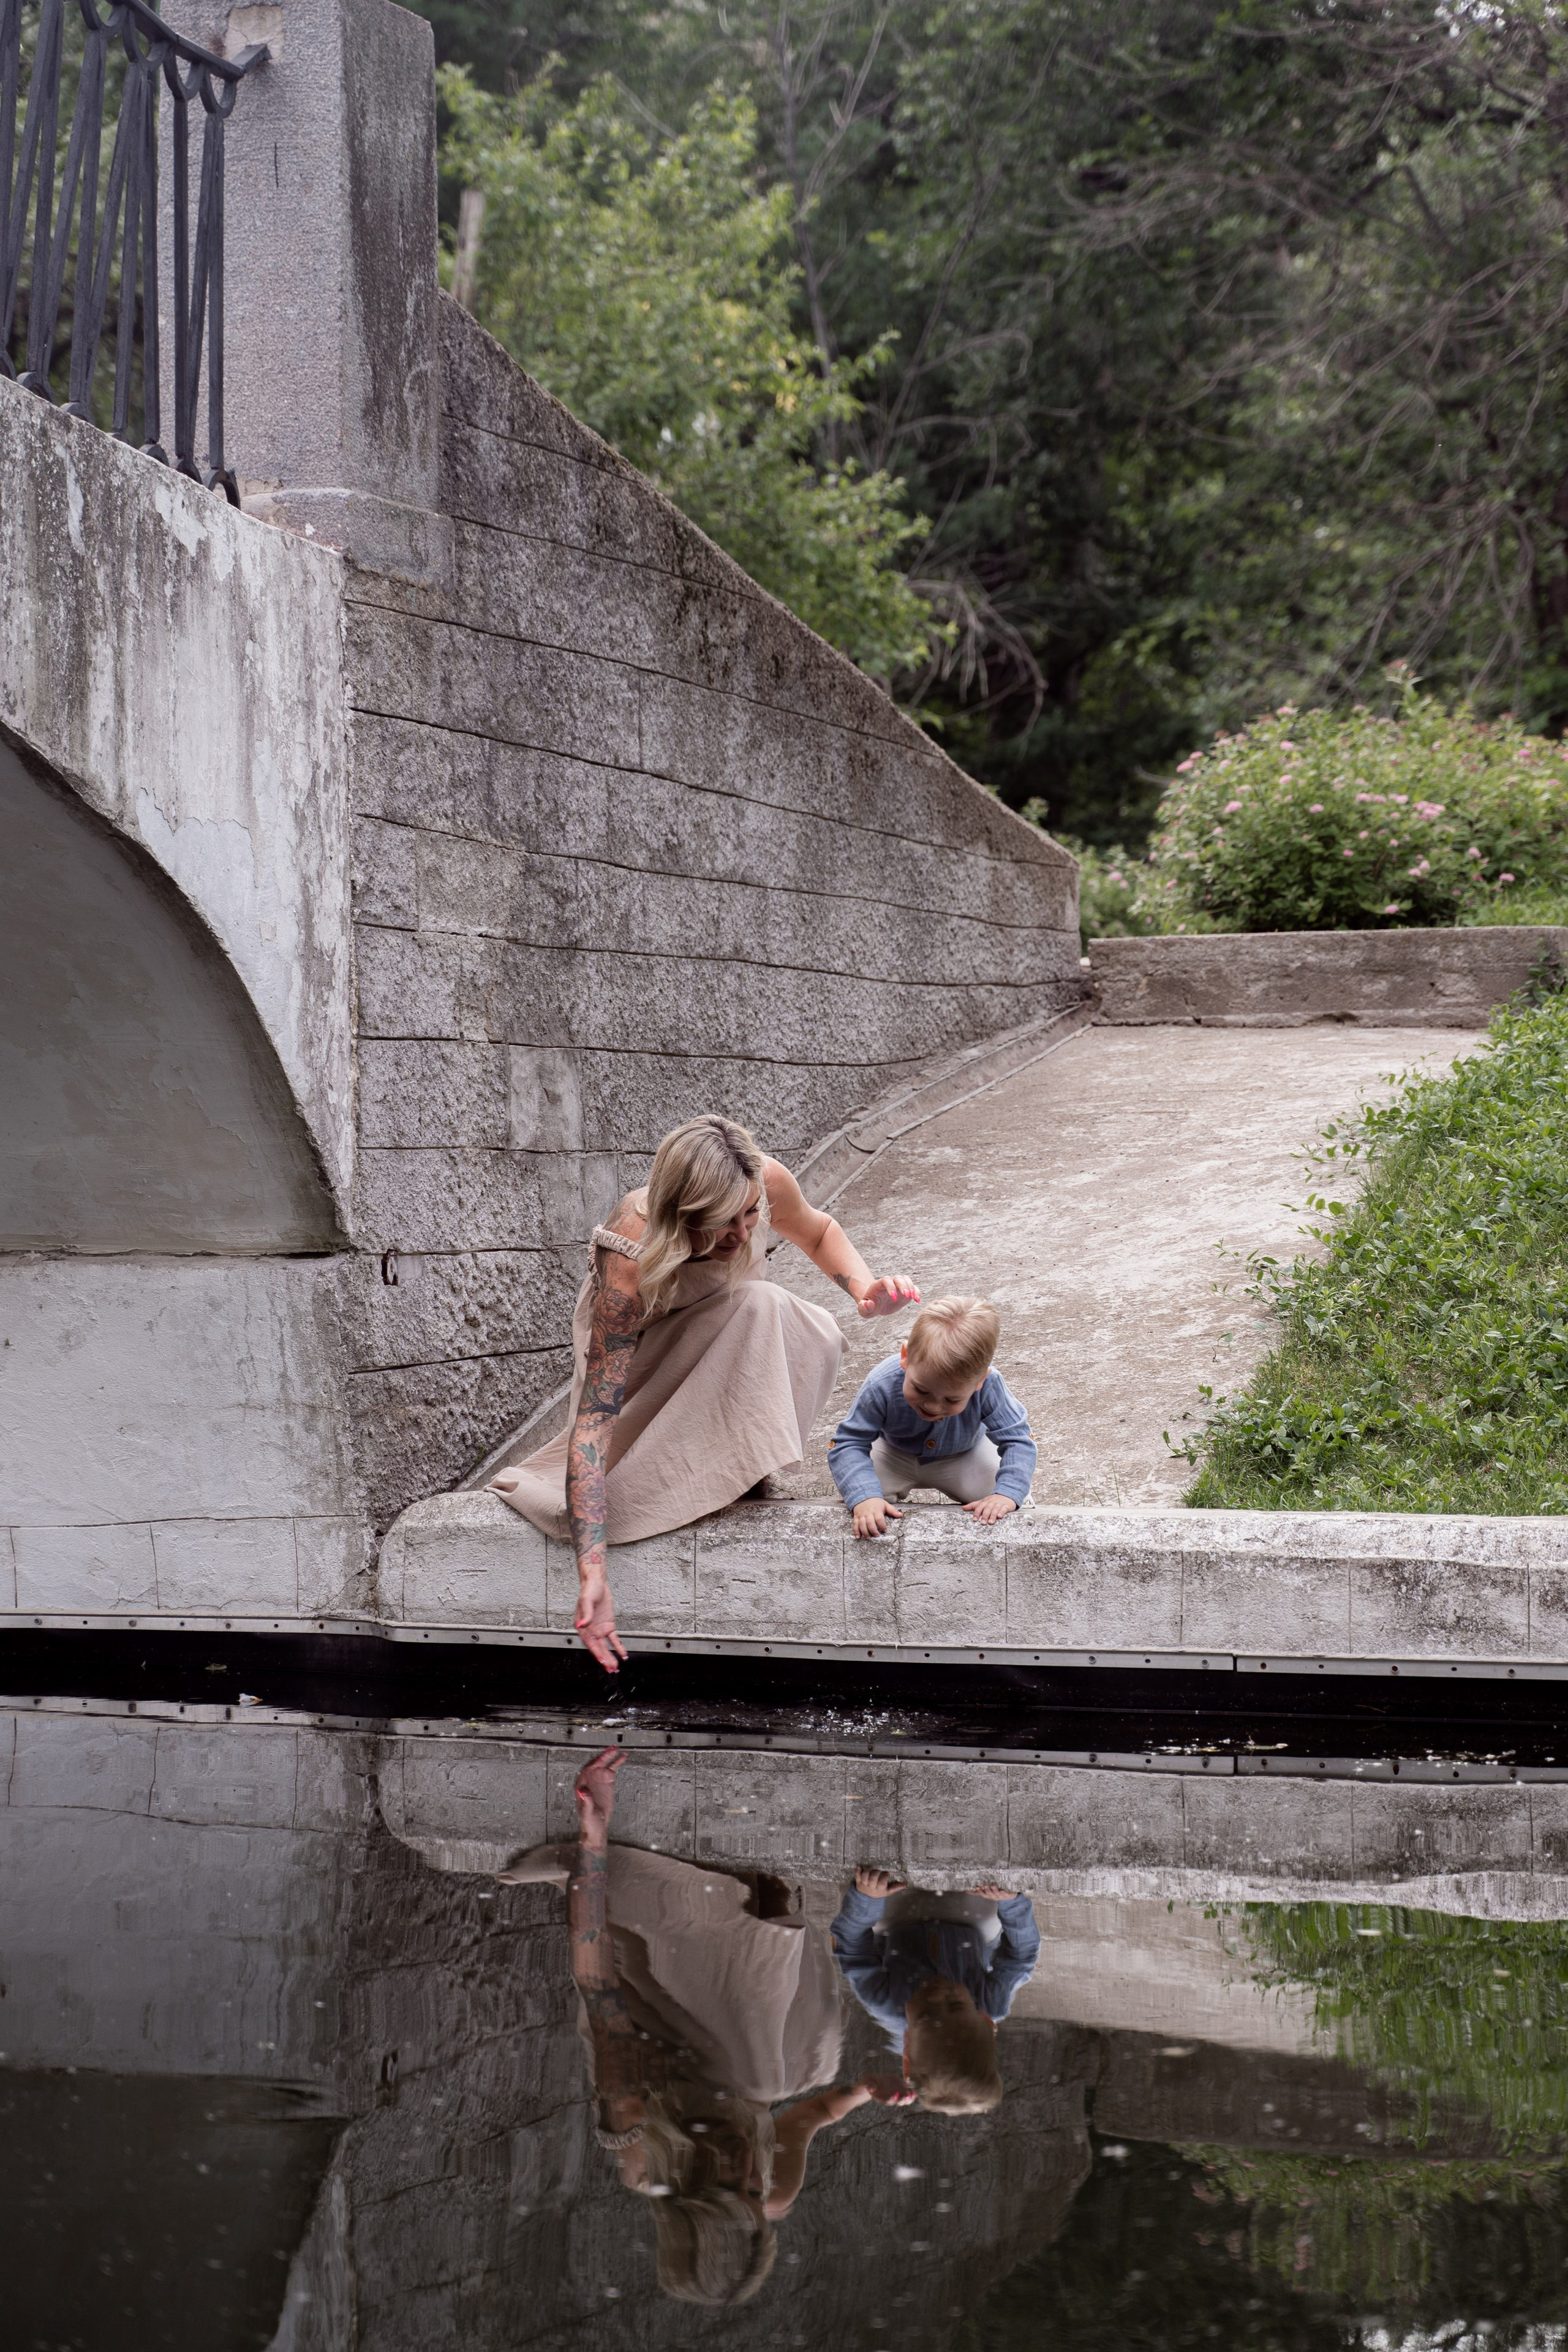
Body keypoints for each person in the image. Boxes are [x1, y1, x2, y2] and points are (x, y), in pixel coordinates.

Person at [492, 1114, 919, 1667]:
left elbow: (816, 1231)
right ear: (681, 1216)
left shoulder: (761, 1179)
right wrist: (592, 1573)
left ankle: (735, 1466)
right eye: (722, 1224)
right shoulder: (629, 1255)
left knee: (802, 1323)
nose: (743, 1235)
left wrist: (865, 1291)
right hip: (647, 1361)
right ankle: (697, 1464)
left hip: (728, 1320)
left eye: (749, 1214)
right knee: (760, 1305)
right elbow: (596, 1420)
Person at [500, 1748, 914, 2305]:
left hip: (658, 1988)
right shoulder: (774, 2193)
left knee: (764, 2081)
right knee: (782, 2081)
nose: (747, 2167)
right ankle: (762, 1921)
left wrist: (593, 1835)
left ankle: (726, 1917)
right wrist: (864, 2092)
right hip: (753, 2017)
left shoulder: (637, 2138)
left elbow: (596, 1983)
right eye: (751, 2189)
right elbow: (804, 2122)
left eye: (725, 2179)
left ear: (688, 2190)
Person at [830, 1866, 1042, 2115]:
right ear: (984, 2020)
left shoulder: (885, 2003)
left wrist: (867, 1900)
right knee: (993, 1902)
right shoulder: (990, 2005)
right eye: (955, 2005)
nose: (938, 1995)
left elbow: (852, 1948)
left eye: (926, 2014)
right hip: (967, 1923)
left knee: (867, 1893)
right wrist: (1012, 1905)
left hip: (899, 1920)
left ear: (907, 2046)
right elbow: (1020, 1957)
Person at [826, 1295, 1037, 1539]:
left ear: (980, 1380)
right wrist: (865, 1495)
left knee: (1004, 1502)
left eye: (952, 1400)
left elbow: (1019, 1440)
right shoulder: (882, 1383)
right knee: (865, 1501)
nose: (933, 1406)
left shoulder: (990, 1385)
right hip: (893, 1454)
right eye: (921, 1390)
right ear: (906, 1355)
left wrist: (1008, 1493)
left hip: (966, 1456)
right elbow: (848, 1443)